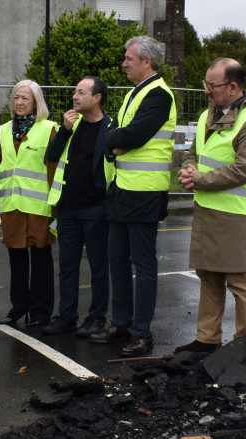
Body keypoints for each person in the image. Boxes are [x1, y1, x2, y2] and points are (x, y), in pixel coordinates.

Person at [174, 58, 246, 353]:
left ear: (233, 87)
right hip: (208, 209)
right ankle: (207, 340)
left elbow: (243, 170)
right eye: (205, 85)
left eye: (212, 85)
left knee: (240, 279)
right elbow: (193, 154)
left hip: (236, 215)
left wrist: (199, 179)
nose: (207, 91)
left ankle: (244, 343)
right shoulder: (208, 115)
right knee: (208, 274)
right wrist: (189, 170)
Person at [90, 36, 177, 357]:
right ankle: (123, 324)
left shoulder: (159, 95)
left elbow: (133, 135)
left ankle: (142, 333)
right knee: (117, 260)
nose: (124, 63)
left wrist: (113, 140)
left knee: (143, 263)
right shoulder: (133, 94)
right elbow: (117, 137)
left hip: (145, 193)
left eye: (128, 58)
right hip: (121, 191)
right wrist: (115, 141)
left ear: (146, 62)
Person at [42, 76, 113, 336]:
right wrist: (65, 129)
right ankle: (67, 316)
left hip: (97, 208)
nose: (74, 96)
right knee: (68, 265)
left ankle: (96, 317)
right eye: (75, 91)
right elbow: (51, 156)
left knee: (98, 266)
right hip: (69, 208)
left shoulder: (111, 128)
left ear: (97, 98)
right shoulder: (72, 125)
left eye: (81, 92)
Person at [0, 80, 57, 327]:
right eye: (16, 98)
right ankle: (18, 308)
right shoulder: (3, 130)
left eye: (25, 98)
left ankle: (41, 313)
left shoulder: (48, 128)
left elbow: (53, 171)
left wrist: (55, 208)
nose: (19, 103)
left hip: (39, 208)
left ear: (36, 102)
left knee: (41, 260)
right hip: (12, 207)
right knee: (16, 260)